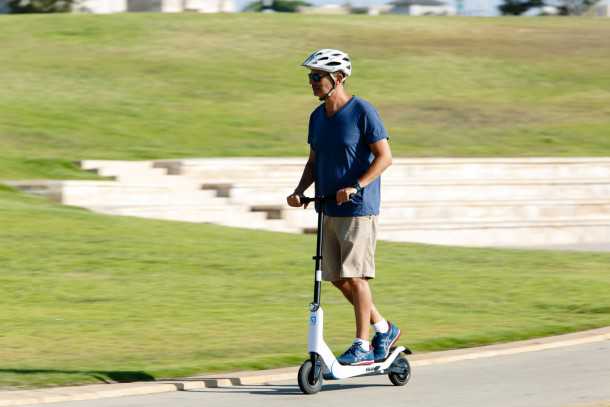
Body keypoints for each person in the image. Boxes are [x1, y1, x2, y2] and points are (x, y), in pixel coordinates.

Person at [286, 49, 400, 366]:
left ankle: (362, 344)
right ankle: (384, 328)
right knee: (337, 277)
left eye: (316, 76)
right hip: (327, 208)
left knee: (357, 277)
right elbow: (313, 162)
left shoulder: (362, 110)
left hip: (358, 209)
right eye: (310, 76)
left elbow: (385, 157)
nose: (311, 82)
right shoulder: (317, 117)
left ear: (337, 78)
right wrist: (299, 191)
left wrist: (357, 186)